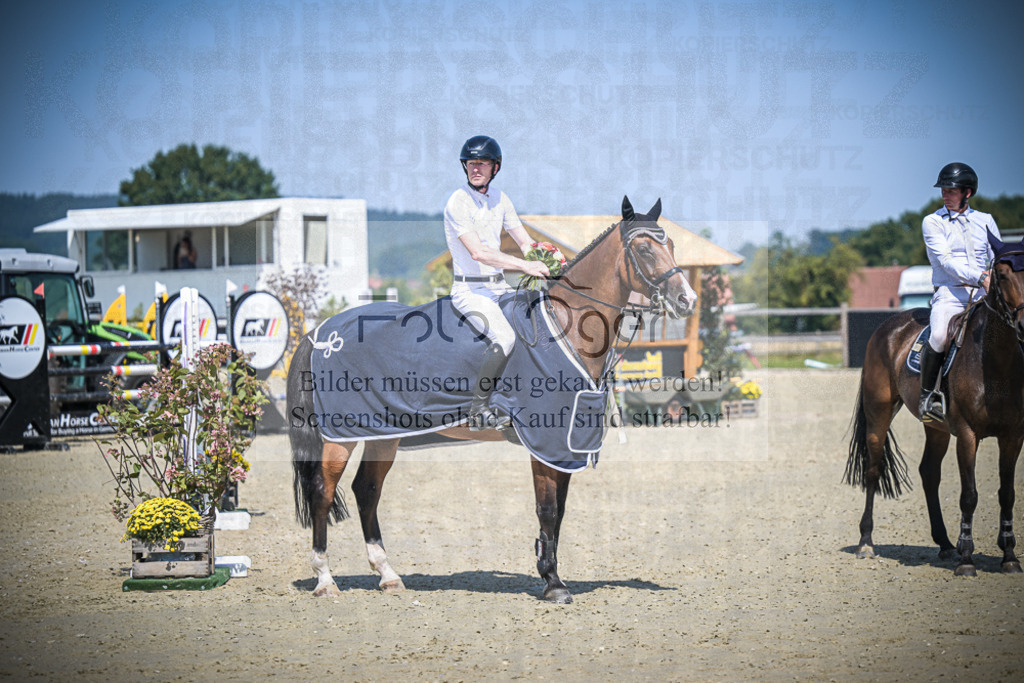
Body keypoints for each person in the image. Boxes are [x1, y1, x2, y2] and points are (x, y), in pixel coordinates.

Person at [443, 135, 550, 430]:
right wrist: (525, 265)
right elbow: (479, 252)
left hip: (498, 287)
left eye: (482, 163)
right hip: (470, 290)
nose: (475, 168)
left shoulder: (501, 199)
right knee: (504, 338)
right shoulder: (457, 202)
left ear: (495, 167)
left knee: (536, 327)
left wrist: (550, 260)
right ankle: (478, 409)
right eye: (471, 163)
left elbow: (525, 242)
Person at [918, 162, 1001, 423]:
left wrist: (995, 278)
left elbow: (997, 256)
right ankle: (928, 395)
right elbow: (943, 261)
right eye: (943, 190)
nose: (945, 194)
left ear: (967, 192)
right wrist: (979, 277)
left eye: (951, 190)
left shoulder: (985, 221)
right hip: (950, 294)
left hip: (984, 295)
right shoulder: (933, 222)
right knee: (941, 335)